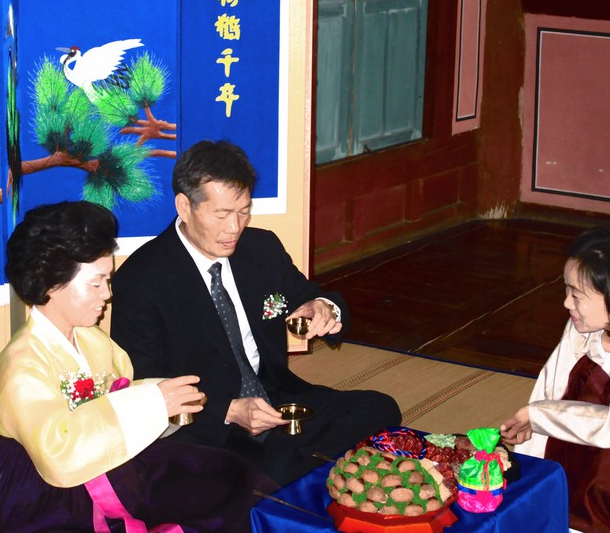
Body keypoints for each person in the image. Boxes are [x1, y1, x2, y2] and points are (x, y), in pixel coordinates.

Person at [0, 201, 276, 533]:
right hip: (29, 481)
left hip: (106, 458)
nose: (107, 295)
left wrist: (162, 394)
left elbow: (120, 387)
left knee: (229, 477)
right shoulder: (21, 367)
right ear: (50, 285)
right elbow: (60, 454)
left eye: (107, 280)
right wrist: (151, 404)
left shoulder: (92, 339)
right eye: (96, 283)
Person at [110, 140, 401, 486]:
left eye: (244, 211)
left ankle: (289, 471)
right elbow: (146, 383)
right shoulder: (141, 278)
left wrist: (322, 308)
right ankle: (294, 471)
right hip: (209, 421)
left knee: (380, 408)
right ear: (184, 206)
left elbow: (310, 295)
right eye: (221, 214)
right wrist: (229, 410)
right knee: (262, 470)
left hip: (275, 400)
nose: (235, 228)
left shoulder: (261, 248)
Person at [500, 227, 610, 532]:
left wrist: (541, 416)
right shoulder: (582, 324)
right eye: (566, 289)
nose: (566, 303)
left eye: (576, 295)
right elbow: (552, 391)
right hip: (591, 441)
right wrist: (531, 473)